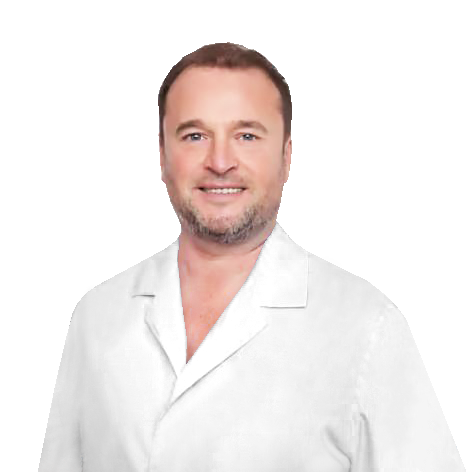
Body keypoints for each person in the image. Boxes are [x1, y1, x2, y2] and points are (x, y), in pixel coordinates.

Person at [39, 43, 464, 471]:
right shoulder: (99, 313)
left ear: (286, 156)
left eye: (247, 136)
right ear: (163, 155)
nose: (220, 162)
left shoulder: (365, 325)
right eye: (195, 136)